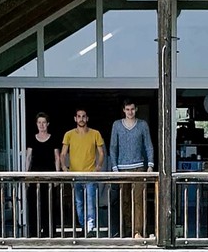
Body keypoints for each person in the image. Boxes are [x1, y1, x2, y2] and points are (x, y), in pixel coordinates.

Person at [109, 99, 155, 238]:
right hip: (122, 168)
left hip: (139, 167)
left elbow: (148, 145)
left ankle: (137, 231)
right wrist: (114, 167)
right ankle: (126, 229)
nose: (130, 112)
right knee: (125, 201)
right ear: (123, 110)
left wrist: (150, 164)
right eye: (127, 109)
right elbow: (113, 147)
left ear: (136, 109)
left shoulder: (142, 125)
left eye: (132, 109)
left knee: (139, 201)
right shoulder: (117, 125)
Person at [60, 108, 105, 234]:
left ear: (87, 118)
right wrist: (64, 168)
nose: (81, 119)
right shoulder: (69, 134)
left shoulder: (95, 133)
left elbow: (101, 153)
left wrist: (98, 167)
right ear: (75, 118)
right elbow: (63, 154)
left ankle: (90, 228)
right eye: (79, 116)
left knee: (90, 201)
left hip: (90, 173)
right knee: (79, 202)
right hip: (75, 174)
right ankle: (83, 226)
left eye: (83, 116)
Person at [24, 112, 61, 238]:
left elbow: (57, 157)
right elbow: (28, 157)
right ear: (36, 124)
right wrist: (26, 175)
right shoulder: (32, 138)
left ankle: (49, 231)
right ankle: (34, 231)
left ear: (48, 124)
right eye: (39, 122)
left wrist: (57, 175)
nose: (41, 125)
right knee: (34, 204)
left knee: (49, 205)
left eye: (44, 122)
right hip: (35, 176)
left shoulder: (53, 138)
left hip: (49, 176)